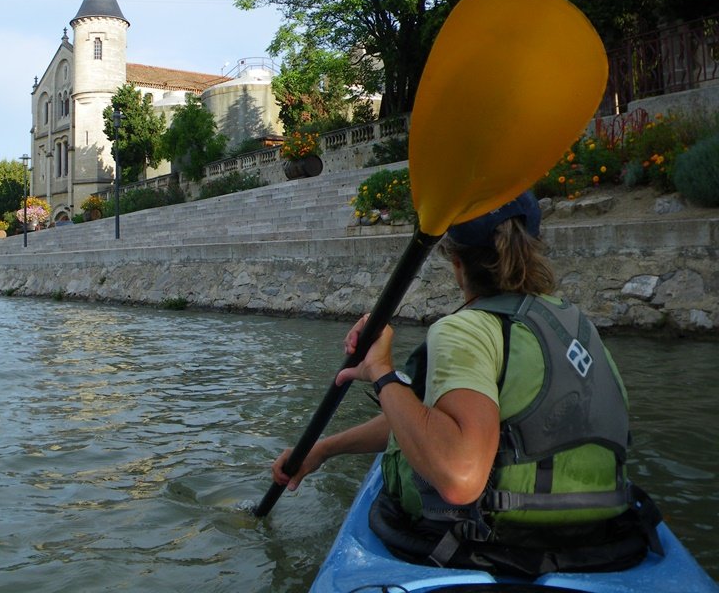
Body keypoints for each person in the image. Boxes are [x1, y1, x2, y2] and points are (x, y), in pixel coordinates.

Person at [271, 192, 660, 576]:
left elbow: (460, 478)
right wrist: (323, 449)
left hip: (490, 545)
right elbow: (430, 424)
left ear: (457, 265)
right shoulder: (574, 322)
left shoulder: (464, 329)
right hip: (602, 540)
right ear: (533, 247)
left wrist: (381, 371)